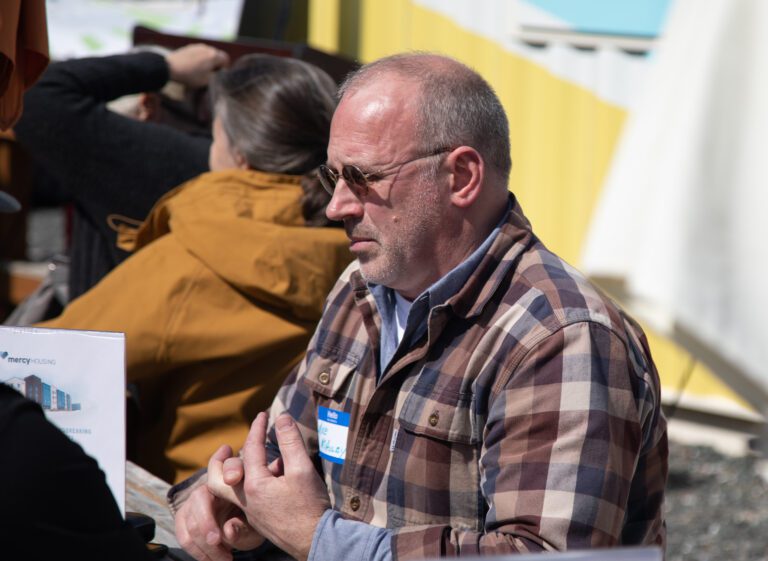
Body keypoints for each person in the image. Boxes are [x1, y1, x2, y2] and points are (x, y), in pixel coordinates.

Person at [170, 53, 668, 561]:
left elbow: (544, 557)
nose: (336, 205)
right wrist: (229, 496)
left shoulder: (561, 337)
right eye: (333, 177)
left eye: (362, 177)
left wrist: (322, 541)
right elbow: (285, 454)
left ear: (461, 177)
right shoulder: (361, 287)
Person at [39, 54, 353, 484]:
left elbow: (40, 360)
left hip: (195, 506)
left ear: (239, 154)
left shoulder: (197, 258)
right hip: (309, 501)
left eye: (215, 135)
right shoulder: (363, 250)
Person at [14, 44, 228, 299]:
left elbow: (36, 93)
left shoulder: (125, 159)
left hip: (103, 331)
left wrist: (166, 67)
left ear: (148, 104)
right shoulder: (224, 170)